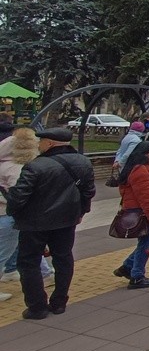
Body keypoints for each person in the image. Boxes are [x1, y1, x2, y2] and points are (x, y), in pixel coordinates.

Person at [4, 127, 95, 319]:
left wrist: (14, 212)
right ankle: (59, 302)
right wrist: (80, 213)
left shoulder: (35, 166)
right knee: (63, 258)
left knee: (28, 262)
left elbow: (18, 197)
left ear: (50, 143)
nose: (39, 145)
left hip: (35, 224)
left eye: (41, 141)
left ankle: (37, 307)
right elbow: (88, 192)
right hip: (67, 221)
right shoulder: (83, 162)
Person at [112, 141, 149, 289]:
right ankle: (137, 276)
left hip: (146, 211)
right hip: (144, 212)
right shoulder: (141, 170)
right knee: (146, 244)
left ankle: (128, 266)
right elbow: (145, 197)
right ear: (145, 153)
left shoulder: (144, 168)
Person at [0, 129, 39, 303]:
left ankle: (10, 271)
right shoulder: (15, 168)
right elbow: (21, 195)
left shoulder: (3, 165)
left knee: (13, 247)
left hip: (4, 213)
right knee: (3, 252)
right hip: (9, 215)